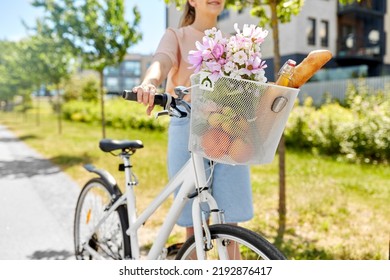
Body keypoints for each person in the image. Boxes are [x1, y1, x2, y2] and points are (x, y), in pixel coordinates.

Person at [132, 0, 253, 240]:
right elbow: (162, 60)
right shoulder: (176, 35)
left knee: (232, 225)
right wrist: (150, 83)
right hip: (188, 124)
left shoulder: (233, 43)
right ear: (192, 1)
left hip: (228, 129)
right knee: (195, 222)